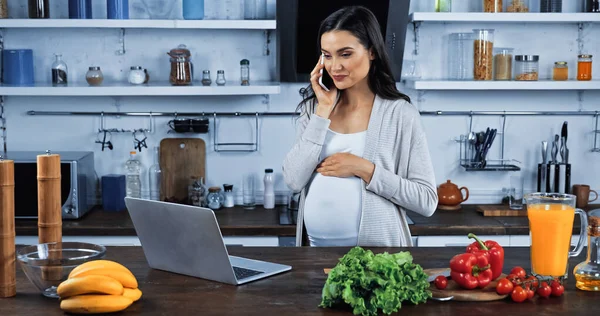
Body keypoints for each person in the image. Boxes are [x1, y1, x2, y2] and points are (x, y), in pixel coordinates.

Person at [282, 6, 438, 247]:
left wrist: (364, 169)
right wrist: (322, 112)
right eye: (327, 55)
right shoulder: (313, 109)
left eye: (345, 54)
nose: (334, 67)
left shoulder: (400, 114)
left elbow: (426, 201)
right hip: (313, 254)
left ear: (372, 52)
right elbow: (293, 180)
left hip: (378, 259)